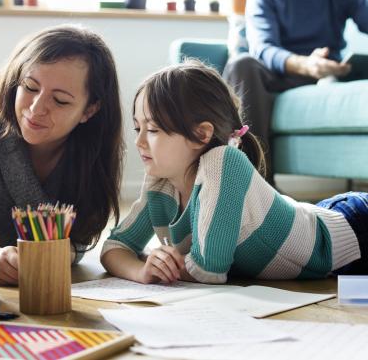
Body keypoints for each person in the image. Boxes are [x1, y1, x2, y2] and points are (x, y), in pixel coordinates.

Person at [101, 60, 367, 284]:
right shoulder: (160, 181)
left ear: (201, 134)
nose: (139, 142)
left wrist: (158, 263)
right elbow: (114, 248)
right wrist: (143, 270)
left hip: (354, 229)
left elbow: (207, 270)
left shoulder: (222, 162)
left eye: (154, 129)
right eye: (138, 128)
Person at [0, 24, 125, 285]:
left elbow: (77, 241)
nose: (36, 108)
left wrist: (58, 252)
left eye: (60, 101)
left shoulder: (94, 151)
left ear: (89, 110)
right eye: (30, 87)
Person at [222, 0, 368, 181]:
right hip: (276, 75)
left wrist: (323, 68)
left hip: (322, 77)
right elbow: (264, 49)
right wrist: (305, 64)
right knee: (242, 65)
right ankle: (256, 183)